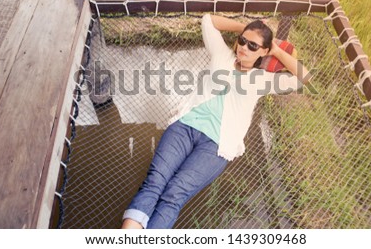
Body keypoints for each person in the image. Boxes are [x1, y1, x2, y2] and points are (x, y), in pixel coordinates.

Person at [121, 14, 310, 229]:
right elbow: (208, 20)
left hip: (216, 145)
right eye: (242, 40)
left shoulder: (262, 80)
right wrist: (246, 27)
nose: (244, 48)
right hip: (185, 127)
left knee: (174, 194)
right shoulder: (223, 55)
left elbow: (303, 78)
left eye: (253, 46)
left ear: (264, 52)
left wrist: (276, 50)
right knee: (154, 181)